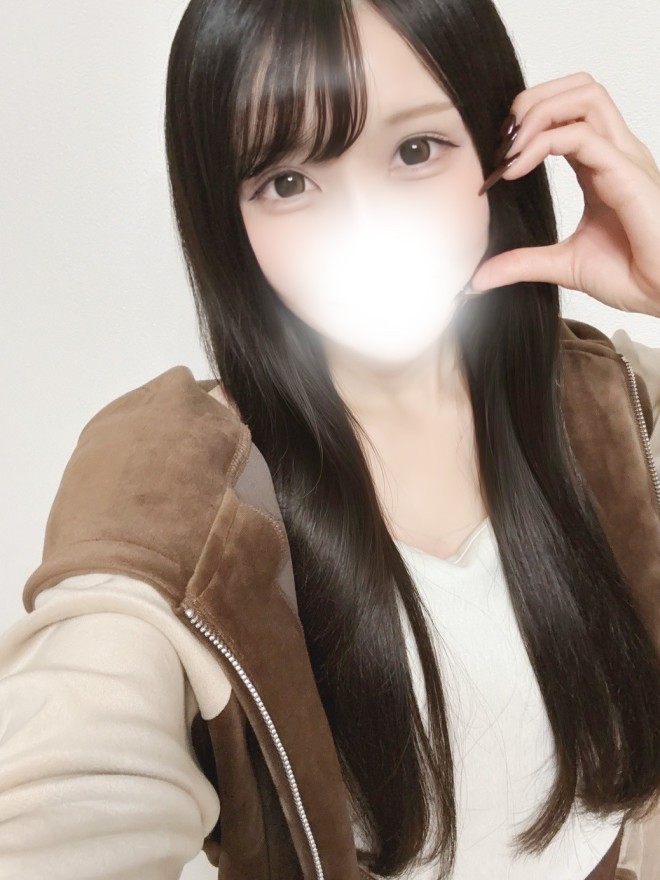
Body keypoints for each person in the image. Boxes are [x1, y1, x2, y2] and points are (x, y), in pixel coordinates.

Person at [2, 1, 660, 878]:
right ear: (228, 214)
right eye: (286, 181)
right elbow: (67, 790)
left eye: (415, 150)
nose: (364, 226)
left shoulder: (625, 408)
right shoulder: (170, 484)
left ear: (500, 153)